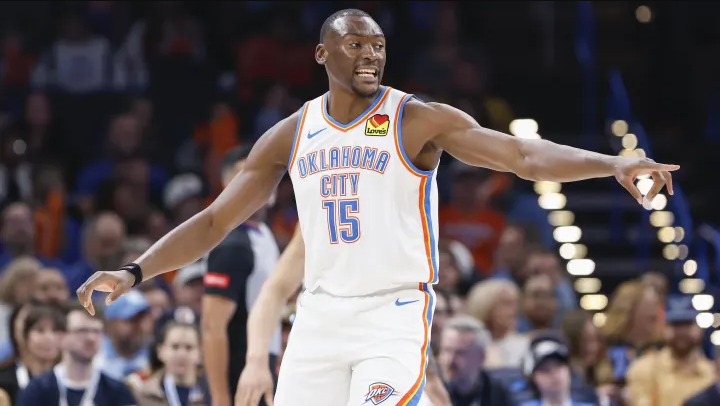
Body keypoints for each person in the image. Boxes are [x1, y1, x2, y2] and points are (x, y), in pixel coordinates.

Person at [76, 8, 678, 406]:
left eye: (379, 46)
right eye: (355, 44)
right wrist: (134, 270)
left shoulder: (415, 119)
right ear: (322, 54)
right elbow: (213, 221)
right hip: (317, 315)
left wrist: (613, 163)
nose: (370, 54)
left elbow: (522, 154)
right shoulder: (293, 132)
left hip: (392, 311)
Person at [235, 226, 451, 406]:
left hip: (385, 333)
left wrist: (430, 374)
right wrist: (255, 362)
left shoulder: (392, 211)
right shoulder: (316, 215)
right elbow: (274, 289)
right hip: (320, 337)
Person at [201, 145, 281, 406]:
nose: (261, 180)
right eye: (249, 174)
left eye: (267, 172)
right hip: (240, 374)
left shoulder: (264, 233)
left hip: (263, 365)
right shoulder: (233, 245)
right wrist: (220, 397)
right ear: (229, 186)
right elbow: (212, 326)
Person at [17, 303, 137, 406]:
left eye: (97, 331)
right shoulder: (37, 390)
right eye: (82, 330)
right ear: (62, 336)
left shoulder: (117, 391)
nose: (91, 338)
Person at [131, 322, 205, 406]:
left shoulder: (211, 394)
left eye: (189, 348)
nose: (181, 354)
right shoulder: (141, 395)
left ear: (201, 353)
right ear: (160, 351)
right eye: (175, 347)